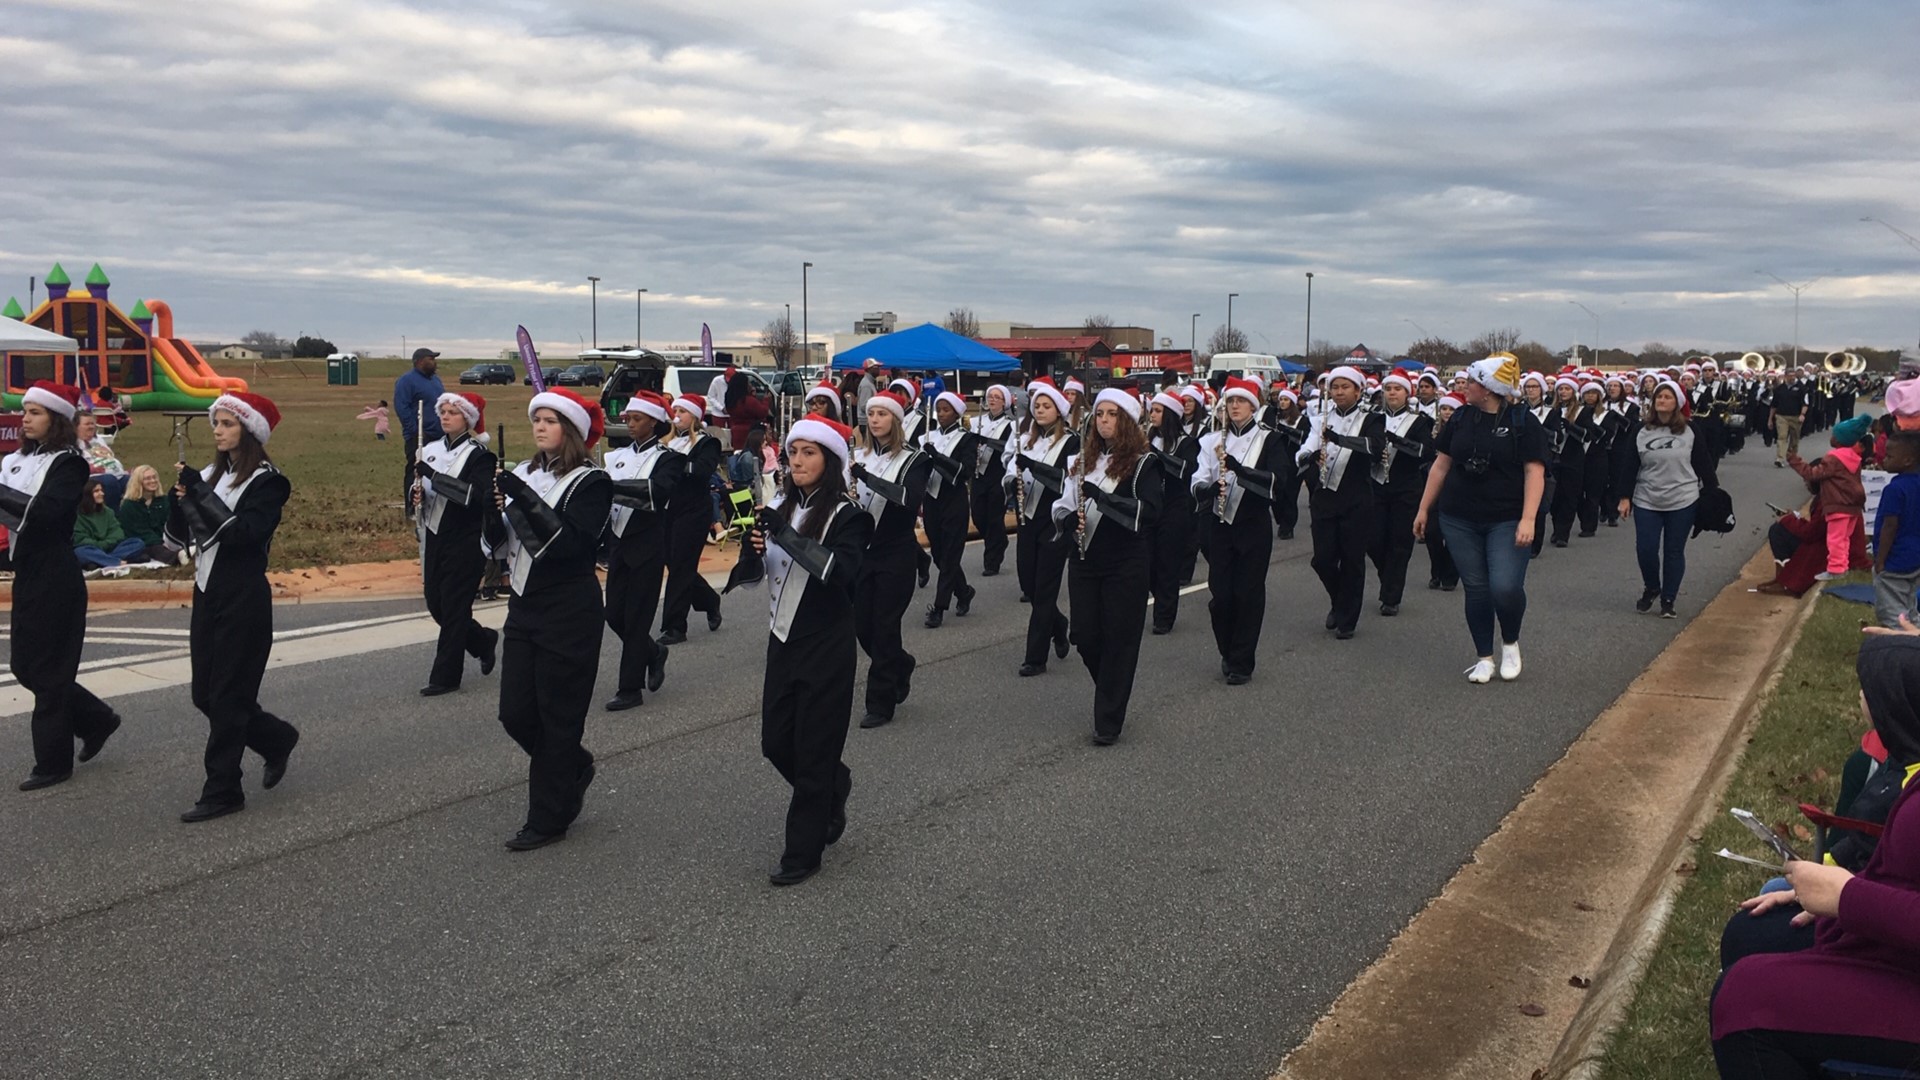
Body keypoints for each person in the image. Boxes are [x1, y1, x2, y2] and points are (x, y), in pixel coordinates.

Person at [1710, 634, 1920, 1078]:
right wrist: (1831, 895)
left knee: (1745, 999)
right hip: (1893, 946)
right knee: (1751, 937)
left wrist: (1847, 897)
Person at [748, 415, 874, 885]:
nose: (797, 460)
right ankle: (833, 785)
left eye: (809, 453)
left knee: (815, 748)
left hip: (827, 645)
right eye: (793, 452)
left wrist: (782, 532)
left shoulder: (848, 515)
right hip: (782, 641)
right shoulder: (781, 505)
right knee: (776, 743)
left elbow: (841, 574)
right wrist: (752, 546)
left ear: (831, 460)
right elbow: (754, 574)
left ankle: (802, 851)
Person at [166, 391, 299, 822]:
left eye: (227, 423)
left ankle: (223, 789)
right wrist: (180, 499)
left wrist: (200, 495)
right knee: (204, 694)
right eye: (216, 424)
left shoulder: (268, 481)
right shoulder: (211, 474)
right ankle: (275, 738)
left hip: (243, 596)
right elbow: (182, 536)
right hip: (207, 593)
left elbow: (244, 534)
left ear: (249, 429)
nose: (218, 431)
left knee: (226, 698)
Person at [490, 388, 611, 850]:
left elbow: (573, 545)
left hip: (568, 610)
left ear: (573, 431)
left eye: (550, 420)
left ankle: (548, 817)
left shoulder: (591, 482)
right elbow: (498, 543)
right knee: (515, 713)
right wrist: (490, 504)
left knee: (557, 717)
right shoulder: (523, 472)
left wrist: (519, 496)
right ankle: (572, 766)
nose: (539, 427)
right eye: (536, 419)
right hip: (523, 606)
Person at [5, 381, 120, 790]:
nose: (26, 418)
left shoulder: (69, 463)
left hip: (57, 572)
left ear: (56, 418)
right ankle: (97, 719)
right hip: (27, 571)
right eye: (25, 411)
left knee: (50, 671)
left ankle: (53, 762)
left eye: (36, 412)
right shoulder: (15, 461)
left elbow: (45, 514)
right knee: (23, 666)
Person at [1413, 355, 1547, 684]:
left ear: (1487, 389)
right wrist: (1424, 508)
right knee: (1476, 588)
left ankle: (1511, 642)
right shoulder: (1459, 418)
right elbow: (1441, 465)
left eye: (1471, 382)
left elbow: (1535, 472)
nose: (1464, 386)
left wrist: (1528, 518)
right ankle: (1484, 657)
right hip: (1459, 517)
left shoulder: (1523, 422)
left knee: (1504, 586)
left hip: (1506, 517)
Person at [1052, 388, 1161, 745]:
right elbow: (1063, 503)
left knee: (1119, 638)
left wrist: (1104, 498)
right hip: (1084, 559)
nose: (1104, 421)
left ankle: (1108, 720)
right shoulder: (1083, 459)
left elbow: (1149, 512)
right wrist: (1066, 520)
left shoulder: (1145, 462)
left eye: (1112, 415)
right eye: (1099, 415)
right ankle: (1113, 690)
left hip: (1125, 561)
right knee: (1084, 635)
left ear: (1126, 421)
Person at [1193, 376, 1291, 678]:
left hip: (1253, 525)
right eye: (1230, 401)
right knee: (1221, 597)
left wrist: (1239, 470)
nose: (1235, 406)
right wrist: (1209, 490)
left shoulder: (1270, 438)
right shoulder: (1211, 440)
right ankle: (1229, 648)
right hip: (1220, 525)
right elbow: (1197, 480)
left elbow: (1278, 480)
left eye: (1241, 401)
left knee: (1248, 595)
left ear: (1253, 406)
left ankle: (1241, 662)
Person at [411, 391, 502, 697]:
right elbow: (413, 488)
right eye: (443, 411)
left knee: (453, 607)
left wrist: (434, 478)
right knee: (436, 603)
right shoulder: (428, 450)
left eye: (453, 412)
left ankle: (445, 676)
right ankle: (481, 640)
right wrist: (414, 496)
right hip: (435, 536)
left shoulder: (480, 455)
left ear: (468, 419)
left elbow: (475, 498)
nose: (445, 416)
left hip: (466, 539)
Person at [849, 391, 929, 728]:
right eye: (872, 414)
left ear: (895, 420)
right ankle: (900, 662)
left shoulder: (916, 459)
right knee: (861, 626)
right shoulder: (856, 455)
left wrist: (866, 478)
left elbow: (908, 499)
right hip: (862, 554)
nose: (875, 419)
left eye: (883, 414)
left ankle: (880, 703)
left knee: (884, 625)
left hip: (896, 553)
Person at [602, 391, 684, 711]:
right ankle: (653, 653)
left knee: (636, 618)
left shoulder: (669, 459)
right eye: (628, 419)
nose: (631, 424)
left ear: (653, 421)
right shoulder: (615, 457)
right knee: (613, 615)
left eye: (637, 419)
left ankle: (629, 688)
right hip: (618, 542)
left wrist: (610, 488)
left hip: (648, 545)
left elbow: (657, 492)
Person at [1614, 379, 1716, 618]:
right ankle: (1652, 587)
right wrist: (1624, 497)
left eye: (1667, 397)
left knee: (1673, 551)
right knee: (1646, 549)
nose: (1662, 400)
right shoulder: (1641, 431)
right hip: (1647, 498)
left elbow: (1703, 462)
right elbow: (1629, 464)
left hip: (1683, 499)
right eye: (1659, 397)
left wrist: (1713, 492)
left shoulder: (1691, 430)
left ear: (1677, 403)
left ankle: (1668, 599)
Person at [1296, 366, 1384, 640]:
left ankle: (1347, 620)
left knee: (1352, 560)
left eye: (1345, 387)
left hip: (1356, 499)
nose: (1339, 392)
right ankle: (1339, 600)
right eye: (1335, 387)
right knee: (1322, 560)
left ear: (1358, 390)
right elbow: (1303, 452)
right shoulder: (1319, 419)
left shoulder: (1372, 418)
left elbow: (1375, 447)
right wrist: (1310, 458)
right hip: (1324, 498)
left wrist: (1340, 440)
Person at [1009, 378, 1077, 674]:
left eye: (1046, 406)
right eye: (1036, 405)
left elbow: (1066, 481)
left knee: (1045, 589)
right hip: (1027, 519)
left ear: (1059, 411)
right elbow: (1010, 472)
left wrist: (1032, 466)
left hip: (1055, 522)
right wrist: (1011, 479)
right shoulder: (1026, 439)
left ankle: (1035, 657)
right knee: (1030, 585)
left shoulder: (1071, 442)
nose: (1039, 410)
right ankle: (1059, 625)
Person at [1367, 372, 1436, 617]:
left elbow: (1427, 452)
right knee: (1373, 540)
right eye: (1389, 388)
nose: (1392, 393)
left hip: (1405, 489)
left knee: (1399, 542)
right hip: (1376, 486)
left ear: (1408, 393)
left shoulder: (1419, 422)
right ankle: (1389, 578)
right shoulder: (1372, 419)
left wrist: (1396, 441)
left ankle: (1391, 597)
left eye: (1398, 388)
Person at [658, 395, 724, 645]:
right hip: (667, 510)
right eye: (675, 410)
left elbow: (702, 472)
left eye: (683, 411)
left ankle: (675, 626)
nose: (677, 415)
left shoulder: (708, 443)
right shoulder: (667, 441)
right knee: (674, 564)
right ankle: (709, 599)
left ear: (694, 416)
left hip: (694, 510)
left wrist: (675, 465)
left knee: (682, 565)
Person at [918, 390, 977, 627]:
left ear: (956, 413)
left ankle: (939, 607)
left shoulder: (966, 438)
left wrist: (938, 457)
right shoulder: (927, 436)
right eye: (939, 409)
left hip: (955, 501)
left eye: (946, 410)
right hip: (931, 500)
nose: (941, 414)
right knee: (940, 554)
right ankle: (963, 591)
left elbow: (966, 471)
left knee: (951, 554)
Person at [1790, 415, 1871, 582]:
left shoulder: (1834, 458)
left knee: (1834, 539)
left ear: (1840, 439)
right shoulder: (1853, 458)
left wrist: (1795, 462)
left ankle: (1836, 569)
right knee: (1844, 538)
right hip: (1853, 506)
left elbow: (1813, 474)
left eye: (1835, 435)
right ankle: (1843, 565)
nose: (1831, 437)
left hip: (1838, 505)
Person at [1146, 390, 1198, 635]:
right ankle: (1161, 601)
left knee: (1167, 563)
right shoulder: (1149, 438)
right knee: (1149, 564)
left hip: (1175, 507)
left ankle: (1164, 616)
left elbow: (1185, 470)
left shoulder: (1187, 442)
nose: (1152, 415)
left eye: (1157, 411)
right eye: (1152, 410)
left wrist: (1155, 455)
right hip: (1150, 508)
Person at [968, 385, 1017, 577]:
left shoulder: (1011, 425)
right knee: (979, 516)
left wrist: (986, 441)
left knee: (995, 517)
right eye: (990, 397)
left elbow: (1007, 447)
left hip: (997, 474)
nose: (993, 400)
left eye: (997, 397)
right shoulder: (975, 421)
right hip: (979, 474)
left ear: (1004, 402)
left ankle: (992, 560)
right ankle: (997, 540)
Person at [1874, 433, 1920, 630]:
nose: (1884, 459)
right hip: (1915, 556)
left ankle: (1901, 641)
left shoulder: (1895, 489)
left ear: (1908, 460)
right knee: (1910, 603)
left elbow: (1890, 526)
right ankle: (1915, 632)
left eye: (1889, 456)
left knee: (1891, 609)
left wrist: (1881, 560)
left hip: (1894, 557)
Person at [394, 347, 445, 507]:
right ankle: (412, 507)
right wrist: (415, 430)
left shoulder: (435, 380)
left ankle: (432, 504)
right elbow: (402, 407)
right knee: (415, 471)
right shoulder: (406, 381)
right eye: (431, 359)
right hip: (419, 436)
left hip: (439, 435)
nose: (434, 362)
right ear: (420, 361)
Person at [1424, 394, 1462, 592]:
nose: (1447, 412)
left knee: (1455, 534)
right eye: (1444, 408)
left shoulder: (1464, 430)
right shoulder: (1431, 429)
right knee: (1432, 532)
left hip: (1457, 485)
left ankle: (1450, 575)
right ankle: (1436, 571)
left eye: (1451, 409)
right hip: (1434, 483)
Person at [72, 478, 147, 571]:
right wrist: (99, 545)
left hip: (110, 548)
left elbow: (118, 533)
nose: (102, 493)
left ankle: (100, 561)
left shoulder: (108, 512)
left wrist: (105, 544)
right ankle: (119, 562)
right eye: (96, 491)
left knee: (138, 543)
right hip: (91, 548)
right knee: (80, 552)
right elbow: (80, 538)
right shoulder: (77, 515)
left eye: (101, 490)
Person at [117, 464, 182, 565]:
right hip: (142, 542)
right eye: (147, 478)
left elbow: (169, 521)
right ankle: (177, 558)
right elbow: (137, 530)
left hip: (164, 540)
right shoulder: (129, 505)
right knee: (155, 549)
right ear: (139, 482)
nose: (152, 481)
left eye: (154, 477)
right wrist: (160, 542)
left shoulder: (163, 500)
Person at [75, 411, 128, 507]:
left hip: (115, 474)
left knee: (133, 480)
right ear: (76, 427)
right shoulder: (72, 443)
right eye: (87, 424)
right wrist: (89, 469)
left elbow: (109, 456)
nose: (91, 426)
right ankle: (112, 515)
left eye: (92, 423)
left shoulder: (98, 439)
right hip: (89, 478)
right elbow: (73, 467)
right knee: (110, 481)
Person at [725, 370, 769, 450]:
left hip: (735, 433)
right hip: (749, 433)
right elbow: (763, 412)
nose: (750, 385)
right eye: (748, 383)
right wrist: (766, 400)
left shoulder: (731, 400)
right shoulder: (748, 401)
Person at [1771, 373, 1807, 466]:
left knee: (1794, 438)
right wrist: (1770, 419)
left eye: (1794, 375)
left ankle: (1792, 456)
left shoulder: (1801, 388)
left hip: (1796, 416)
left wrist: (1802, 414)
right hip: (1781, 416)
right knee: (1782, 436)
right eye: (1790, 375)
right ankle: (1780, 458)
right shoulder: (1779, 389)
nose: (1792, 377)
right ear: (1785, 376)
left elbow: (1805, 403)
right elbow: (1774, 405)